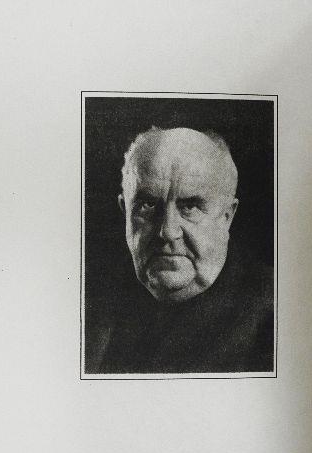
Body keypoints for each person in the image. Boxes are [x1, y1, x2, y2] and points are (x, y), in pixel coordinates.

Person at [85, 126, 274, 374]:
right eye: (147, 205)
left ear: (227, 217)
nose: (167, 231)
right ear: (125, 212)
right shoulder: (91, 309)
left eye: (190, 207)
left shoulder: (275, 316)